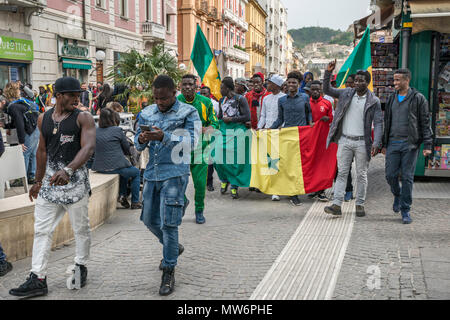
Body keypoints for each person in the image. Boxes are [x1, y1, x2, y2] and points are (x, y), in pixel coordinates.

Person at [9, 77, 96, 298]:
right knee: (41, 230)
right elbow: (42, 151)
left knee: (81, 229)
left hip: (75, 186)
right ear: (58, 95)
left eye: (78, 95)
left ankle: (80, 265)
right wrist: (37, 182)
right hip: (49, 185)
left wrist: (68, 170)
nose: (77, 99)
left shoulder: (83, 118)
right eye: (71, 95)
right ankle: (38, 277)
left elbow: (88, 148)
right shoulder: (43, 118)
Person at [135, 75, 200, 296]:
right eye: (156, 98)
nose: (160, 102)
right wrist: (142, 139)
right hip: (152, 174)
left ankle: (169, 269)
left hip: (175, 173)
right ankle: (173, 248)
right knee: (148, 219)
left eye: (164, 98)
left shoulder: (188, 113)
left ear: (175, 93)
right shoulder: (146, 112)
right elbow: (136, 142)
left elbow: (193, 142)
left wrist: (164, 136)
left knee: (169, 224)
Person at [323, 60, 383, 218]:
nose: (357, 83)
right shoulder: (345, 93)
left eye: (361, 80)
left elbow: (378, 123)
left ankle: (360, 204)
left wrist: (376, 142)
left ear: (367, 82)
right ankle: (337, 204)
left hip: (363, 142)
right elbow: (327, 89)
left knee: (362, 174)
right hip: (344, 141)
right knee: (342, 173)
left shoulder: (373, 101)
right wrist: (328, 72)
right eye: (356, 80)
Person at [382, 68, 432, 224]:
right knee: (390, 175)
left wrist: (428, 144)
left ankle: (405, 210)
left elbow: (425, 122)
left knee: (407, 177)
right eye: (394, 80)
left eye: (398, 80)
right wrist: (384, 144)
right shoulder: (391, 98)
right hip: (392, 143)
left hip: (410, 145)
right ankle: (397, 194)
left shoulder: (418, 99)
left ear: (407, 80)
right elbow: (387, 122)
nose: (394, 83)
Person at [178, 74, 219, 224]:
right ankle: (181, 203)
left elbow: (215, 123)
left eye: (190, 84)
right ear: (180, 86)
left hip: (200, 149)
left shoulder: (206, 102)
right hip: (179, 149)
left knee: (200, 184)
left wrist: (208, 128)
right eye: (185, 84)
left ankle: (199, 210)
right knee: (177, 182)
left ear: (196, 87)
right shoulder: (175, 102)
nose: (187, 87)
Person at [271, 72, 313, 206]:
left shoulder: (305, 97)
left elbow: (309, 114)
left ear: (299, 84)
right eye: (289, 82)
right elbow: (280, 119)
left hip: (302, 135)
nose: (291, 85)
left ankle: (299, 189)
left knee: (300, 165)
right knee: (289, 165)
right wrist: (270, 129)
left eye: (294, 82)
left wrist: (311, 126)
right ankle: (292, 193)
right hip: (287, 136)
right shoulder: (281, 100)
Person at [92, 108, 141, 209]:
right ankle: (135, 202)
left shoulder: (95, 131)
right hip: (115, 166)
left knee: (124, 172)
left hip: (99, 167)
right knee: (135, 172)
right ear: (112, 119)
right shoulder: (117, 130)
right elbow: (127, 149)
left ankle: (122, 195)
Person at [218, 77, 251, 199]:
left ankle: (234, 185)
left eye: (221, 88)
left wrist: (232, 119)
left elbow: (247, 116)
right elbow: (221, 117)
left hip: (238, 130)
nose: (220, 90)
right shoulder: (222, 100)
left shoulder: (240, 99)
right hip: (224, 130)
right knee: (217, 155)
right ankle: (224, 179)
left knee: (235, 159)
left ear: (227, 88)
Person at [3, 82, 40, 184]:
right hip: (35, 128)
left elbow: (19, 123)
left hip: (29, 130)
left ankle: (21, 179)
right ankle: (31, 177)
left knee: (25, 154)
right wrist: (8, 126)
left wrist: (21, 141)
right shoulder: (21, 102)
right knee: (32, 154)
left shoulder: (12, 106)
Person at [257, 74, 286, 201]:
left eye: (269, 83)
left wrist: (282, 128)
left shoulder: (284, 98)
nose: (266, 85)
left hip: (279, 132)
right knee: (267, 160)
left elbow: (284, 116)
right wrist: (259, 127)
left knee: (276, 160)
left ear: (276, 85)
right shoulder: (266, 99)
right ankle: (268, 185)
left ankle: (276, 190)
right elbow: (263, 115)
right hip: (266, 131)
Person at [308, 80, 333, 202]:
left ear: (321, 90)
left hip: (323, 139)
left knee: (322, 165)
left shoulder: (327, 103)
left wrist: (327, 118)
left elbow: (332, 119)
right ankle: (314, 189)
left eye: (318, 89)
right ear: (310, 90)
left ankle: (321, 191)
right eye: (313, 89)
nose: (315, 91)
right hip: (310, 139)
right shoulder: (306, 103)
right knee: (312, 164)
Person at [200, 86, 219, 192]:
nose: (203, 96)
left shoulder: (215, 104)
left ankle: (209, 182)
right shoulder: (197, 104)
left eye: (205, 94)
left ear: (209, 94)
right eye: (201, 94)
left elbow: (217, 119)